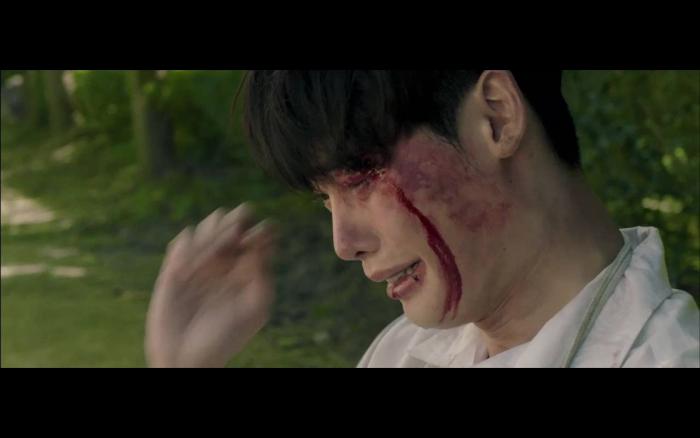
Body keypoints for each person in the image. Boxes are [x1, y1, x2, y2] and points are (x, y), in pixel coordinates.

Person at [145, 70, 699, 368]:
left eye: (360, 176)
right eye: (324, 199)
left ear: (497, 117)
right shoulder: (403, 352)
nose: (344, 242)